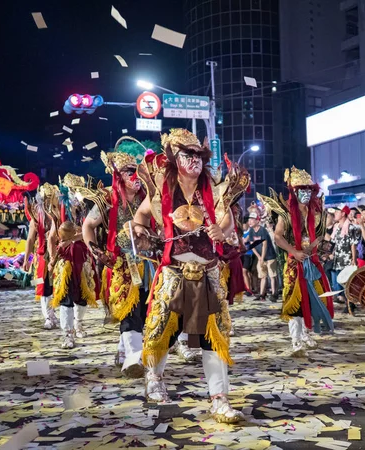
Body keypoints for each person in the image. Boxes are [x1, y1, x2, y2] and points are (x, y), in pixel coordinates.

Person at [133, 128, 244, 423]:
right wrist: (141, 231)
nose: (194, 160)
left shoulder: (214, 186)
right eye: (187, 154)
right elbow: (141, 215)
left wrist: (223, 230)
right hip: (173, 271)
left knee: (215, 336)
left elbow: (226, 217)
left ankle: (219, 399)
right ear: (173, 158)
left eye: (198, 155)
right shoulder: (162, 188)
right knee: (163, 331)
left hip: (208, 271)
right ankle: (153, 378)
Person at [81, 144, 154, 377]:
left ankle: (124, 351)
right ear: (118, 175)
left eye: (137, 170)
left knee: (144, 311)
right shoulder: (107, 199)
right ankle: (134, 358)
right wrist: (95, 251)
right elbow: (88, 226)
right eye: (129, 171)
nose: (135, 175)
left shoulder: (147, 198)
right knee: (128, 310)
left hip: (147, 263)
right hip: (120, 263)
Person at [260, 167, 334, 356]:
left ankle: (308, 333)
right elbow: (277, 237)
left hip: (313, 262)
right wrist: (294, 251)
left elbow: (318, 237)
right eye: (302, 190)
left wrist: (322, 248)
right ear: (294, 191)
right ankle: (296, 340)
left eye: (309, 190)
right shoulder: (286, 214)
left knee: (316, 300)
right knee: (295, 304)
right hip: (294, 264)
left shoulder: (316, 213)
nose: (306, 194)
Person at [48, 221, 97, 349]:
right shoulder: (55, 220)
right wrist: (52, 259)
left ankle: (78, 324)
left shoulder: (85, 220)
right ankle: (67, 334)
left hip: (81, 269)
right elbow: (51, 239)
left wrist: (73, 238)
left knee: (82, 301)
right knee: (66, 301)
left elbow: (89, 233)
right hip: (66, 270)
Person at [24, 184, 60, 329]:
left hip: (60, 256)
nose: (48, 203)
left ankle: (66, 314)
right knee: (43, 287)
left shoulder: (61, 214)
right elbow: (30, 240)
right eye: (45, 199)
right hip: (42, 259)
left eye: (51, 199)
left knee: (60, 287)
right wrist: (27, 259)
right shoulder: (37, 217)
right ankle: (49, 317)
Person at [331, 205, 360, 314]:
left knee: (348, 283)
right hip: (338, 258)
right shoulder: (336, 226)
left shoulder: (351, 227)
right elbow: (335, 243)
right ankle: (347, 302)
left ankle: (350, 304)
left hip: (347, 258)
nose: (335, 214)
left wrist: (354, 259)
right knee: (340, 281)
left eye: (337, 212)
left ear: (343, 213)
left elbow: (353, 244)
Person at [248, 212, 278, 302]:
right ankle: (262, 294)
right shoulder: (251, 231)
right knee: (262, 275)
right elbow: (251, 245)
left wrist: (262, 257)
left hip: (270, 255)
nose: (250, 221)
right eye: (249, 219)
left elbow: (265, 245)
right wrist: (259, 257)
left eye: (252, 219)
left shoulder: (263, 230)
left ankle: (274, 294)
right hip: (261, 256)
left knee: (272, 275)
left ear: (258, 221)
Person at [241, 219, 253, 296]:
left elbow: (244, 241)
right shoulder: (241, 233)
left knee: (244, 271)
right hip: (242, 254)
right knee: (246, 272)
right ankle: (249, 288)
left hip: (249, 254)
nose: (243, 226)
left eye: (244, 224)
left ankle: (248, 289)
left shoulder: (250, 232)